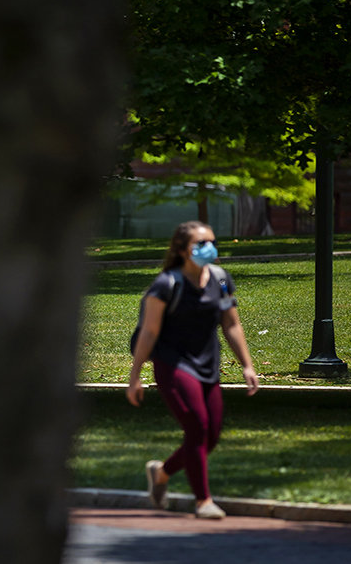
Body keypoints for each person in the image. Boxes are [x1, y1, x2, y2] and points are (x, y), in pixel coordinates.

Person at [126, 221, 259, 520]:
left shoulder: (222, 280)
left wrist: (247, 365)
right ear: (182, 250)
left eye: (211, 241)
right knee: (196, 426)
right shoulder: (166, 284)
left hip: (208, 363)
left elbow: (231, 324)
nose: (209, 248)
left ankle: (161, 473)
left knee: (210, 436)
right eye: (201, 244)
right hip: (173, 364)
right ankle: (203, 501)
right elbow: (148, 333)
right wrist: (134, 377)